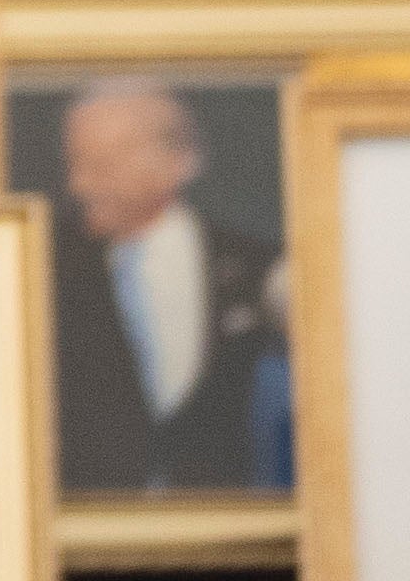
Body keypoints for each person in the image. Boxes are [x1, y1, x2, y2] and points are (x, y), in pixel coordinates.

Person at [42, 81, 278, 500]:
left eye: (101, 165)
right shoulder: (45, 270)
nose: (79, 185)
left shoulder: (257, 266)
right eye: (75, 163)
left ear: (180, 161)